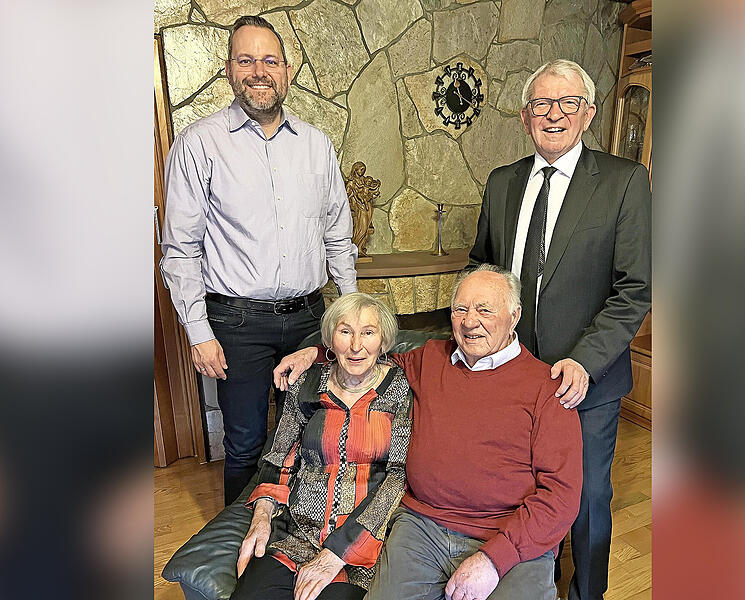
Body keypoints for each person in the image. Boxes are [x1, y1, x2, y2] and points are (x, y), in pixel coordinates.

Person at [275, 265, 583, 600]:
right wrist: (316, 352)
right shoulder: (430, 358)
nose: (469, 322)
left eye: (484, 310)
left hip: (510, 536)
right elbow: (365, 356)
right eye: (460, 310)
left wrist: (493, 560)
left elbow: (561, 497)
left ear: (514, 316)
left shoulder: (550, 387)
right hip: (422, 525)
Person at [468, 60, 652, 600]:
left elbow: (634, 288)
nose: (554, 114)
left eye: (567, 103)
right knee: (516, 491)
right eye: (542, 104)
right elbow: (483, 268)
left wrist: (584, 360)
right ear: (526, 117)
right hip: (514, 375)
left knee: (588, 500)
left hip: (586, 381)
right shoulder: (501, 183)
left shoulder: (623, 182)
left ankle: (585, 594)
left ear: (588, 114)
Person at [160, 15, 358, 505]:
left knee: (315, 438)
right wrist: (198, 332)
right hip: (237, 322)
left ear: (287, 71)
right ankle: (239, 554)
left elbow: (338, 232)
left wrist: (350, 308)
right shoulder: (198, 144)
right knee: (246, 443)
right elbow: (180, 248)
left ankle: (301, 536)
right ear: (229, 70)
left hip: (312, 317)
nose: (258, 70)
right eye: (246, 60)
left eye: (269, 60)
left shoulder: (316, 145)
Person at [232, 293, 412, 600]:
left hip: (362, 546)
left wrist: (338, 552)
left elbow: (398, 476)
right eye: (346, 332)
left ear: (383, 342)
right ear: (330, 339)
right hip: (296, 533)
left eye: (368, 333)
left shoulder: (400, 389)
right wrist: (261, 518)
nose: (356, 346)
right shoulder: (307, 385)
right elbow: (280, 456)